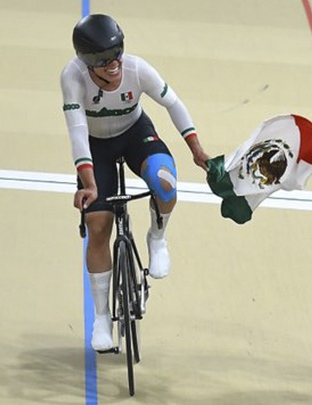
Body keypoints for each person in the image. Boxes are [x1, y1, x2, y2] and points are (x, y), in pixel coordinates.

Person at [60, 13, 210, 352]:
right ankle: (101, 317)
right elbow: (77, 132)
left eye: (117, 54)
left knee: (165, 182)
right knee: (98, 225)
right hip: (96, 146)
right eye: (102, 60)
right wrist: (89, 184)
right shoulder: (72, 77)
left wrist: (196, 151)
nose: (113, 65)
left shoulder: (137, 69)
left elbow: (173, 104)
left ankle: (157, 237)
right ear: (86, 62)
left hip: (135, 133)